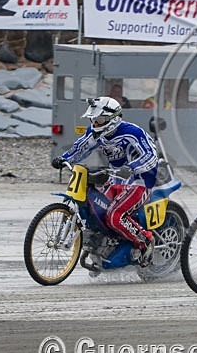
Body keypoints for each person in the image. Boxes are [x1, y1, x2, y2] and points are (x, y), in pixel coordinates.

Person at [51, 97, 158, 266]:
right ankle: (105, 245)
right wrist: (63, 158)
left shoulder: (133, 132)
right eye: (94, 119)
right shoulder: (96, 133)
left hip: (140, 181)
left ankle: (145, 241)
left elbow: (151, 156)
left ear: (113, 118)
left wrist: (132, 167)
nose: (95, 122)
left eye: (99, 119)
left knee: (114, 215)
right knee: (97, 211)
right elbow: (81, 147)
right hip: (115, 179)